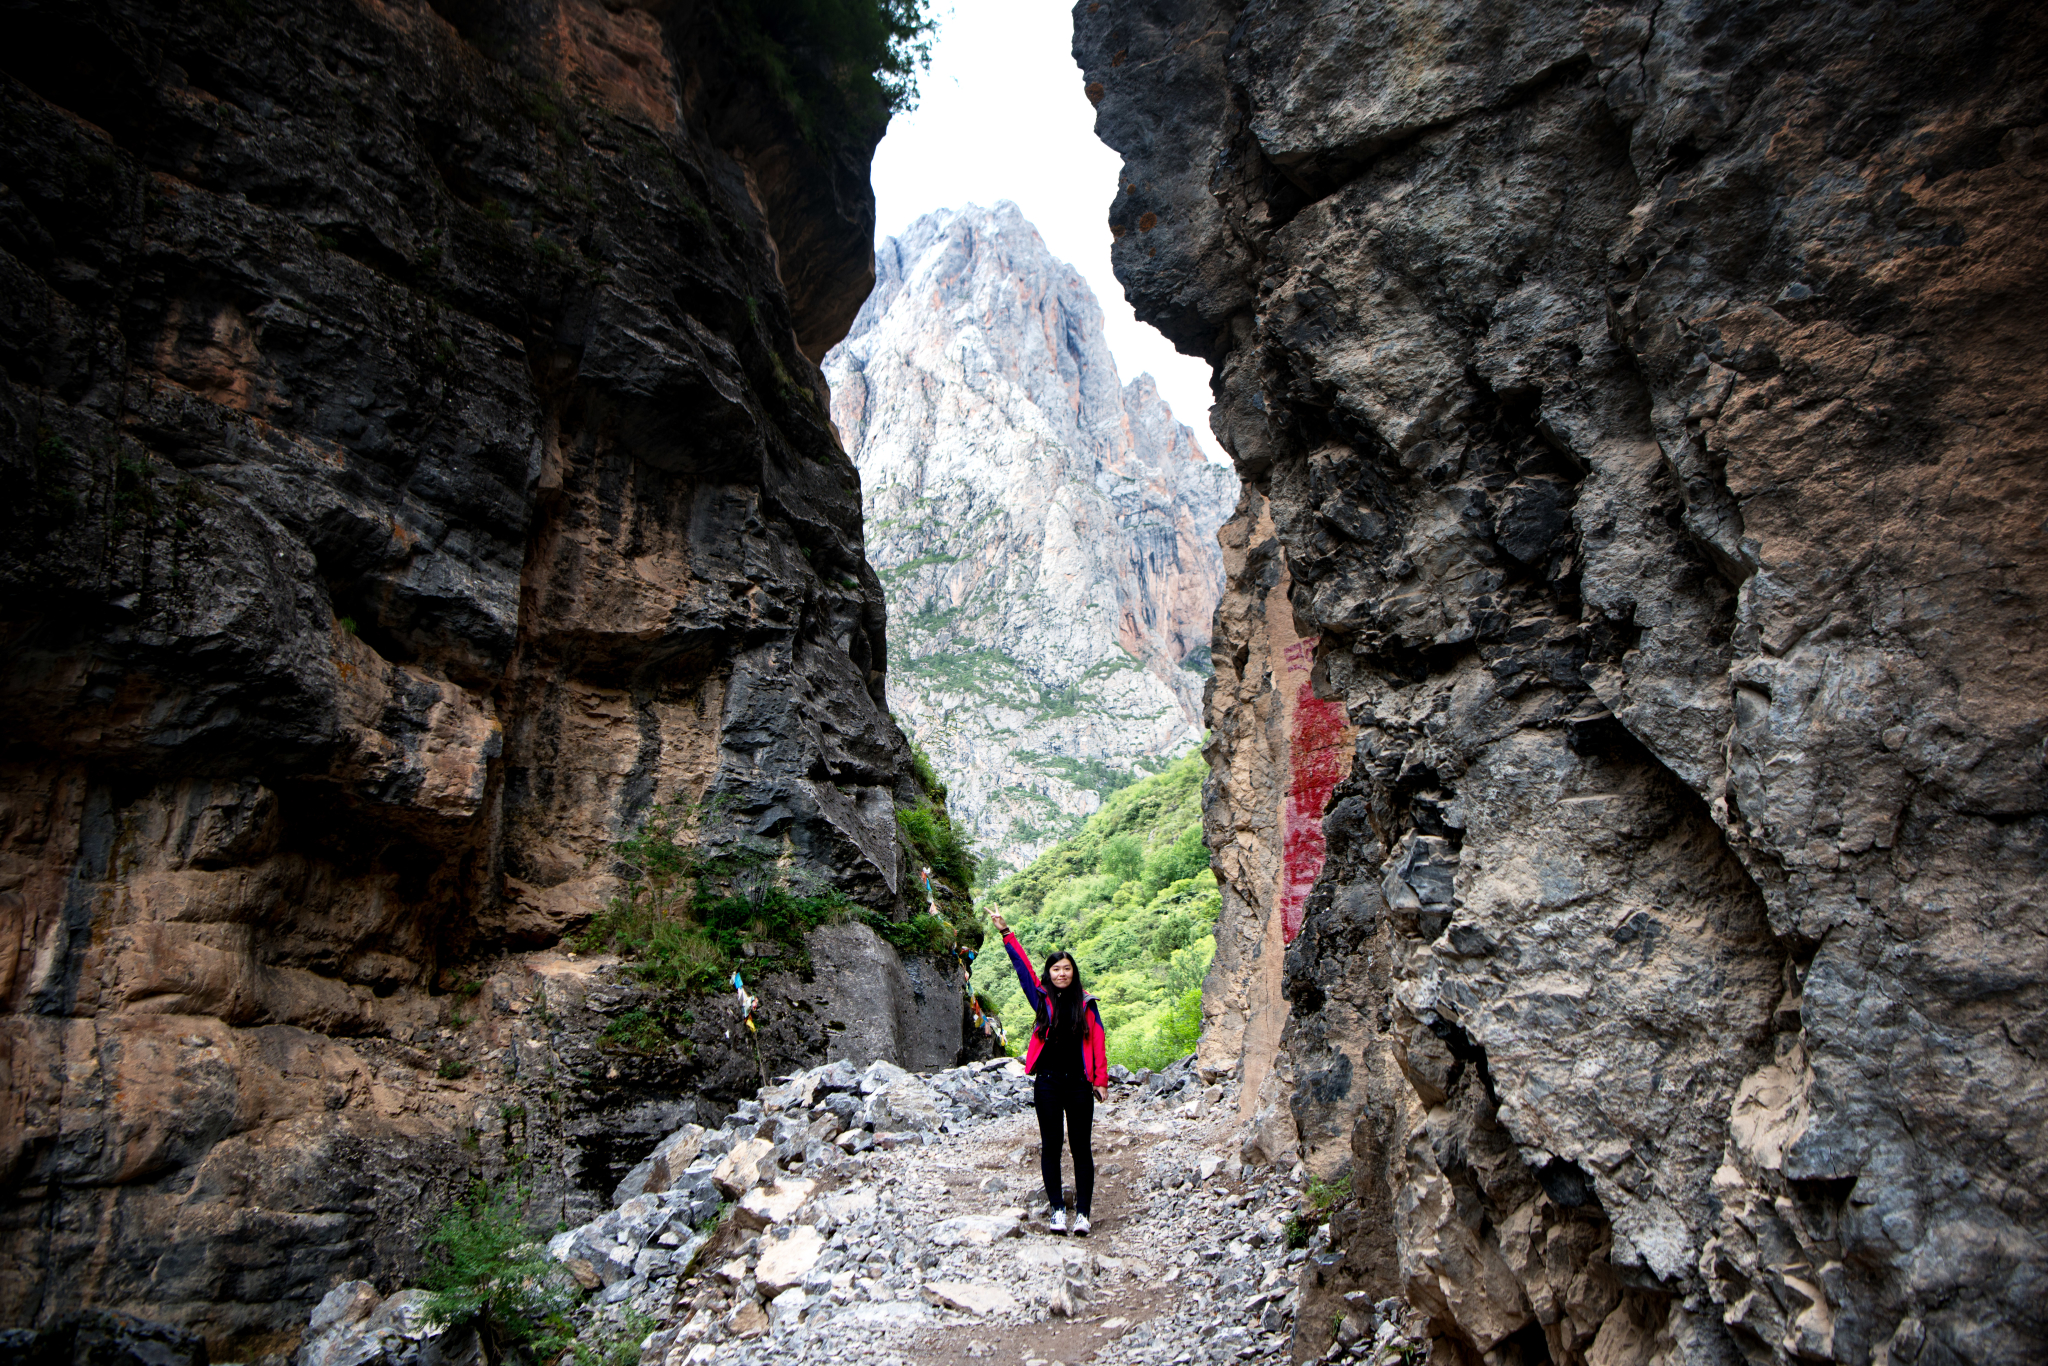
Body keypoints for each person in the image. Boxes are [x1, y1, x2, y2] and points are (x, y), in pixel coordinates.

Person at [990, 908, 1108, 1235]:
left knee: (1081, 1147)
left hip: (1080, 1085)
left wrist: (1100, 1081)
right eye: (1056, 969)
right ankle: (1057, 1210)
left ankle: (1082, 1213)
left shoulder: (1086, 1003)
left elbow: (1098, 1042)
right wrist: (1006, 932)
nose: (1061, 974)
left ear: (1074, 972)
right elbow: (1023, 969)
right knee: (1051, 1144)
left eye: (1066, 969)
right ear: (1049, 973)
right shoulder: (1041, 1000)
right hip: (1048, 1083)